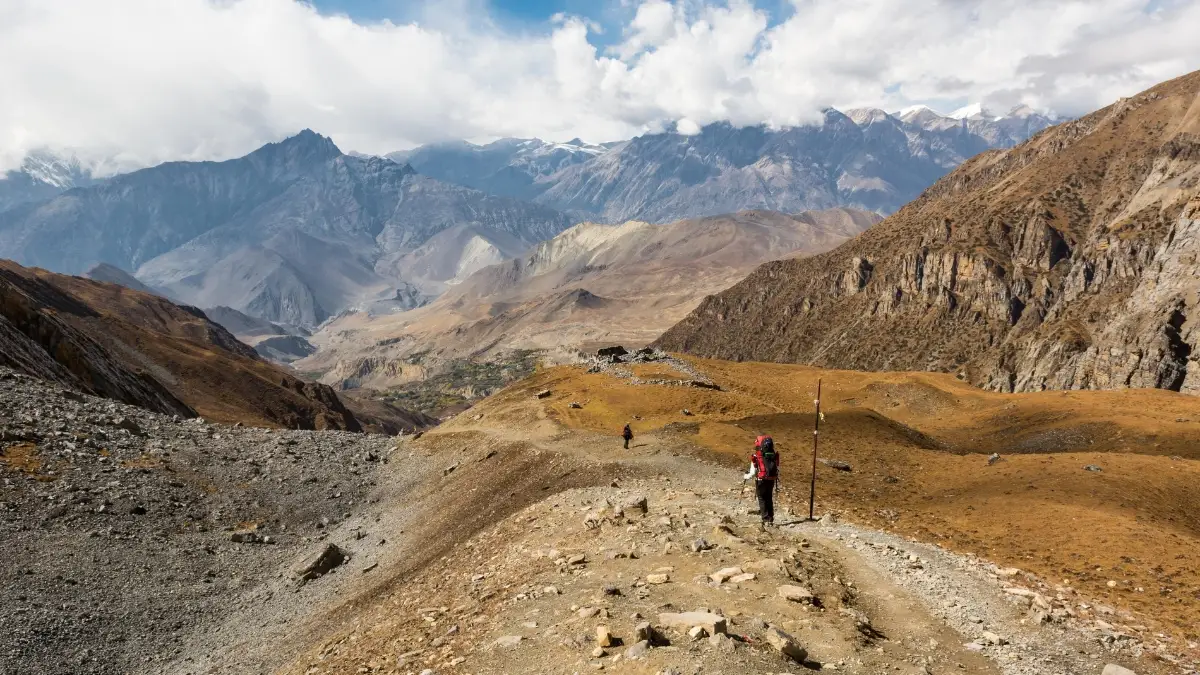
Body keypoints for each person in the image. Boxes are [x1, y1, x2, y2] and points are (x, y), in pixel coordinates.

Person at [743, 434, 779, 527]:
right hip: (771, 479)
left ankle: (765, 519)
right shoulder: (773, 455)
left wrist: (745, 476)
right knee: (769, 497)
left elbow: (752, 472)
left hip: (761, 480)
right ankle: (770, 519)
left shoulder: (757, 456)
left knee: (762, 498)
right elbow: (777, 467)